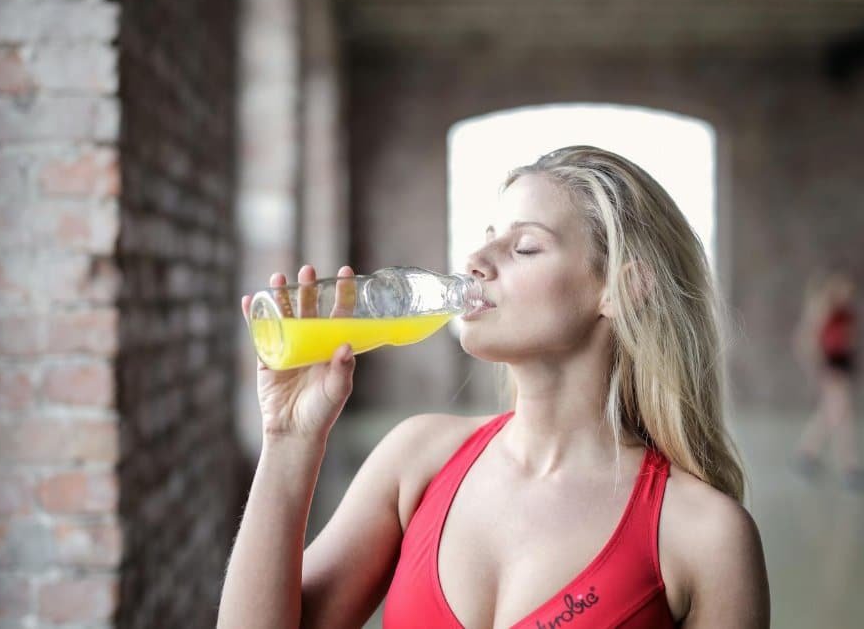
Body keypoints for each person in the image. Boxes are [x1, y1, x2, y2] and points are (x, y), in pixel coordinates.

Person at [218, 146, 770, 628]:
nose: (475, 263)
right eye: (487, 239)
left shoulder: (707, 536)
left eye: (524, 247)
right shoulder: (417, 459)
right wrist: (289, 438)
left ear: (621, 290)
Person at [792, 271, 864, 489]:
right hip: (829, 367)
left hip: (841, 364)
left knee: (830, 414)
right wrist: (817, 370)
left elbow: (850, 341)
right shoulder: (824, 308)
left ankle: (806, 454)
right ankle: (850, 467)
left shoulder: (847, 312)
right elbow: (807, 340)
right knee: (844, 415)